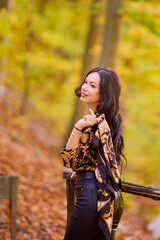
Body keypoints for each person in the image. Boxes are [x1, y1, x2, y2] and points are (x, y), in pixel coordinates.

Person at [60, 67, 126, 240]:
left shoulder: (94, 124)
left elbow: (68, 160)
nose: (85, 87)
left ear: (104, 93)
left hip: (90, 194)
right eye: (85, 82)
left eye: (92, 85)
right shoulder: (105, 122)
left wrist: (78, 127)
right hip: (101, 195)